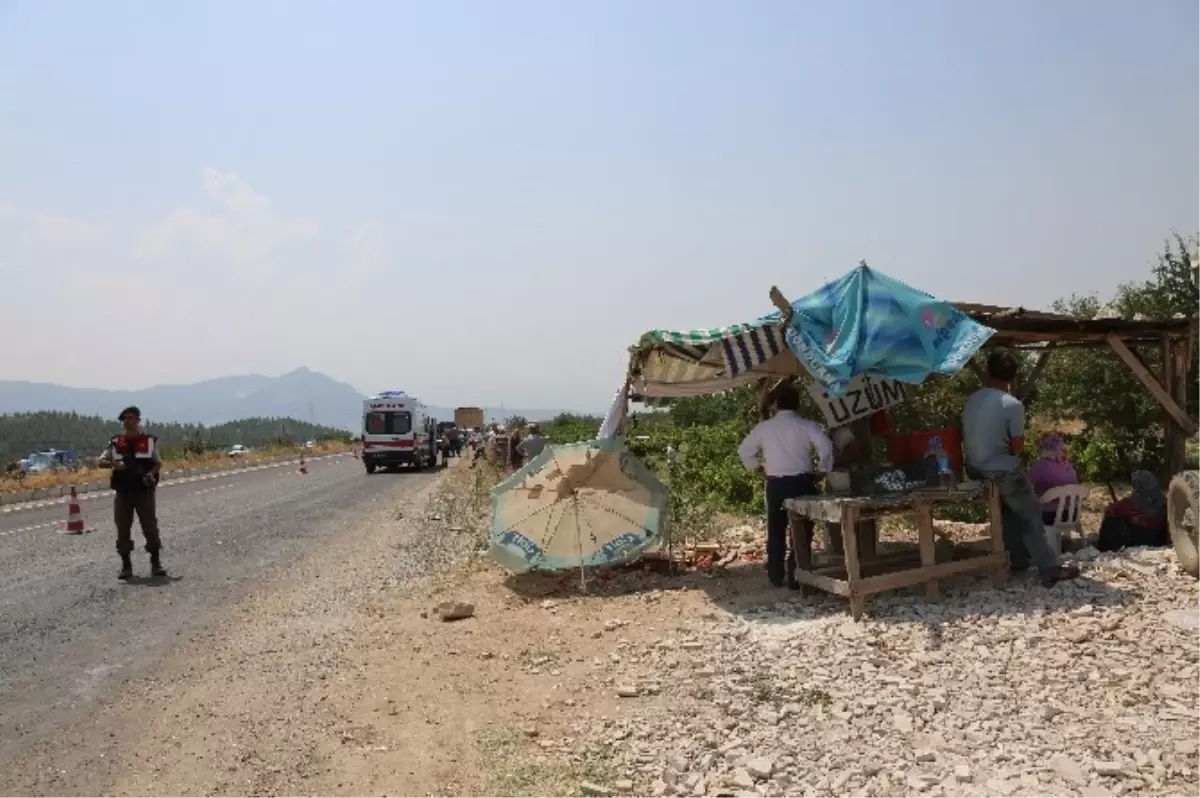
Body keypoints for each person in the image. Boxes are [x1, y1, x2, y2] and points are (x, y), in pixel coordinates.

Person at [962, 350, 1079, 586]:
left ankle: (1018, 560)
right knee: (1031, 514)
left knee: (1007, 512)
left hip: (974, 468)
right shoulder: (1012, 405)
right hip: (1002, 470)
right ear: (1013, 378)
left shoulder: (973, 399)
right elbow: (1017, 447)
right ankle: (1049, 568)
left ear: (988, 373)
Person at [738, 385, 834, 589]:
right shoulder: (807, 425)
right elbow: (826, 446)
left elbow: (744, 451)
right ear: (797, 404)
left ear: (776, 405)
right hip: (802, 483)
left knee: (776, 529)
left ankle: (775, 575)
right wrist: (823, 470)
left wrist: (758, 469)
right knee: (802, 531)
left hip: (776, 483)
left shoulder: (764, 428)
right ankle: (797, 577)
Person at [97, 406, 167, 580]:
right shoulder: (116, 442)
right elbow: (101, 461)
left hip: (144, 491)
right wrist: (114, 464)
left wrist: (150, 474)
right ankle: (126, 565)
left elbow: (158, 462)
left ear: (138, 420)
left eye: (130, 418)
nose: (127, 422)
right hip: (123, 492)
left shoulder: (149, 441)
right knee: (122, 528)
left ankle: (156, 563)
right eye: (124, 419)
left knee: (150, 527)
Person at [1097, 469, 1169, 551]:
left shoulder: (1135, 500)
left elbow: (1113, 511)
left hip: (1146, 538)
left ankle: (1107, 549)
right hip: (1159, 538)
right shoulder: (1162, 499)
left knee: (1110, 522)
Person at [1027, 432, 1080, 526]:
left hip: (1049, 517)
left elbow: (1026, 487)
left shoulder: (1040, 467)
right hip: (1072, 515)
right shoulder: (1070, 468)